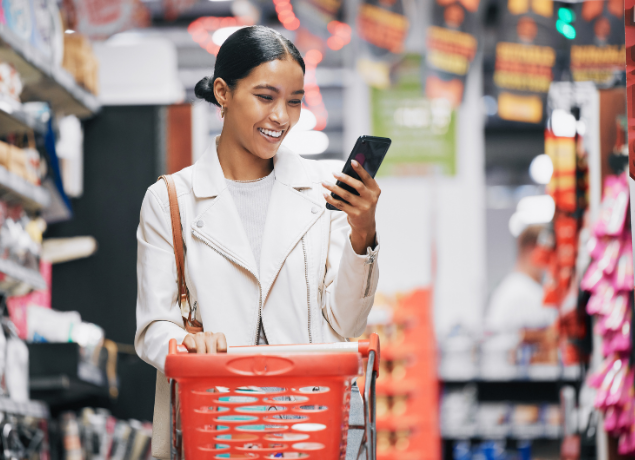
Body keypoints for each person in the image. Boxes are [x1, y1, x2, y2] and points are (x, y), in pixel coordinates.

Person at [134, 26, 381, 459]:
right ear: (223, 93)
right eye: (266, 97)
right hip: (217, 423)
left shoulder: (324, 192)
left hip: (311, 426)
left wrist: (363, 236)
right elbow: (153, 327)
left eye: (294, 101)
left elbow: (345, 325)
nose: (281, 117)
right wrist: (186, 345)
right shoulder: (172, 200)